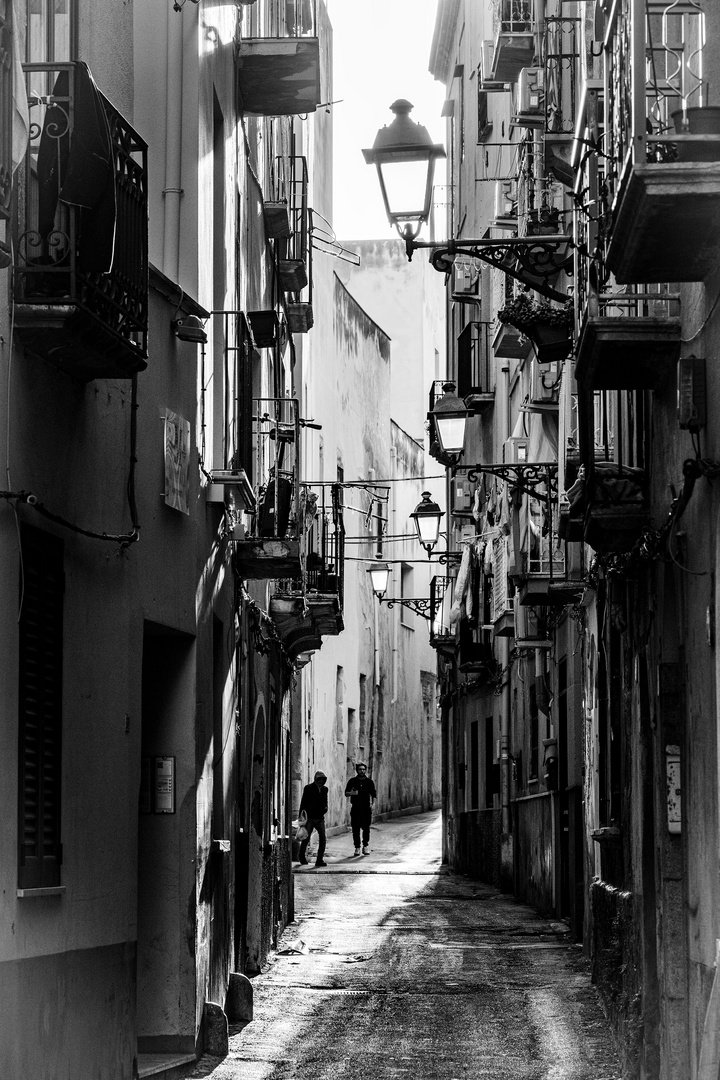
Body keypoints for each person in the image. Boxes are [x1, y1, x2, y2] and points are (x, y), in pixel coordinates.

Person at [344, 762, 376, 856]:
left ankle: (365, 846)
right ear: (357, 770)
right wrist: (352, 793)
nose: (362, 771)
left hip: (366, 808)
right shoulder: (352, 781)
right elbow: (346, 793)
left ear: (365, 770)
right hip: (356, 808)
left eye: (363, 769)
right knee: (355, 828)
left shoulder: (369, 782)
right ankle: (357, 847)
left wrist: (373, 805)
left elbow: (373, 794)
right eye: (360, 769)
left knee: (366, 828)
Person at [298, 770, 328, 868]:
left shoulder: (325, 789)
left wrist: (325, 808)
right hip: (310, 817)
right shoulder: (308, 788)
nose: (320, 782)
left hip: (320, 818)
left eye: (322, 780)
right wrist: (301, 816)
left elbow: (325, 801)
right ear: (315, 779)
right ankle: (301, 856)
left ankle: (319, 859)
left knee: (323, 838)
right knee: (305, 837)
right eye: (319, 779)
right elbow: (303, 802)